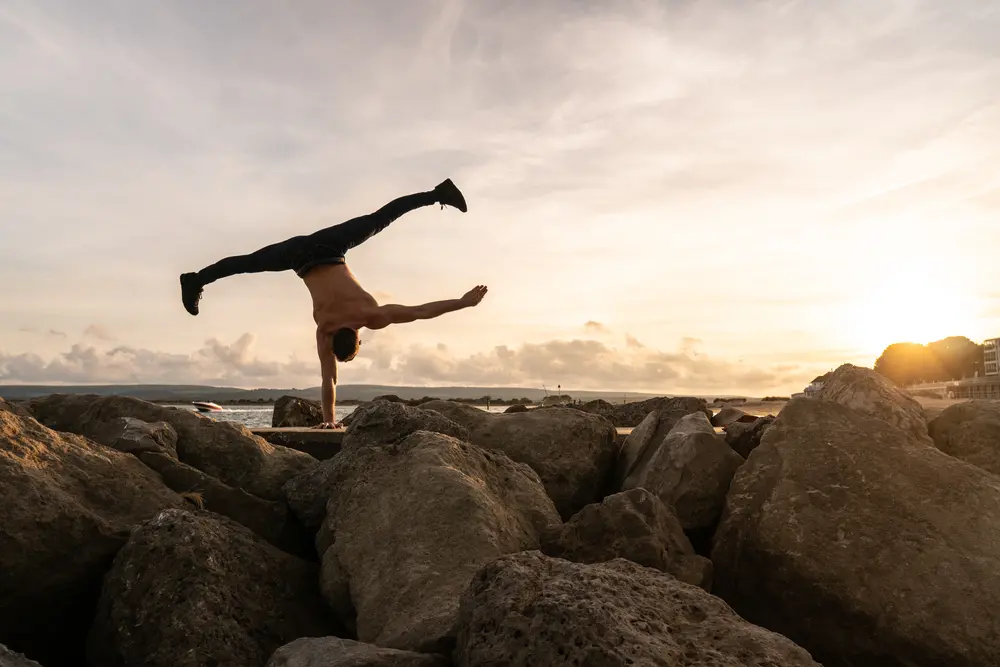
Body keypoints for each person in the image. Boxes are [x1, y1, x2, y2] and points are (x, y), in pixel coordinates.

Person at [178, 179, 487, 428]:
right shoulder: (325, 329)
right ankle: (196, 279)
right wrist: (328, 420)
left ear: (358, 339)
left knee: (380, 219)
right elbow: (329, 379)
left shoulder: (369, 316)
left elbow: (421, 312)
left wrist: (463, 302)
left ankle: (437, 194)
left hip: (330, 246)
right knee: (247, 263)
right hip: (299, 255)